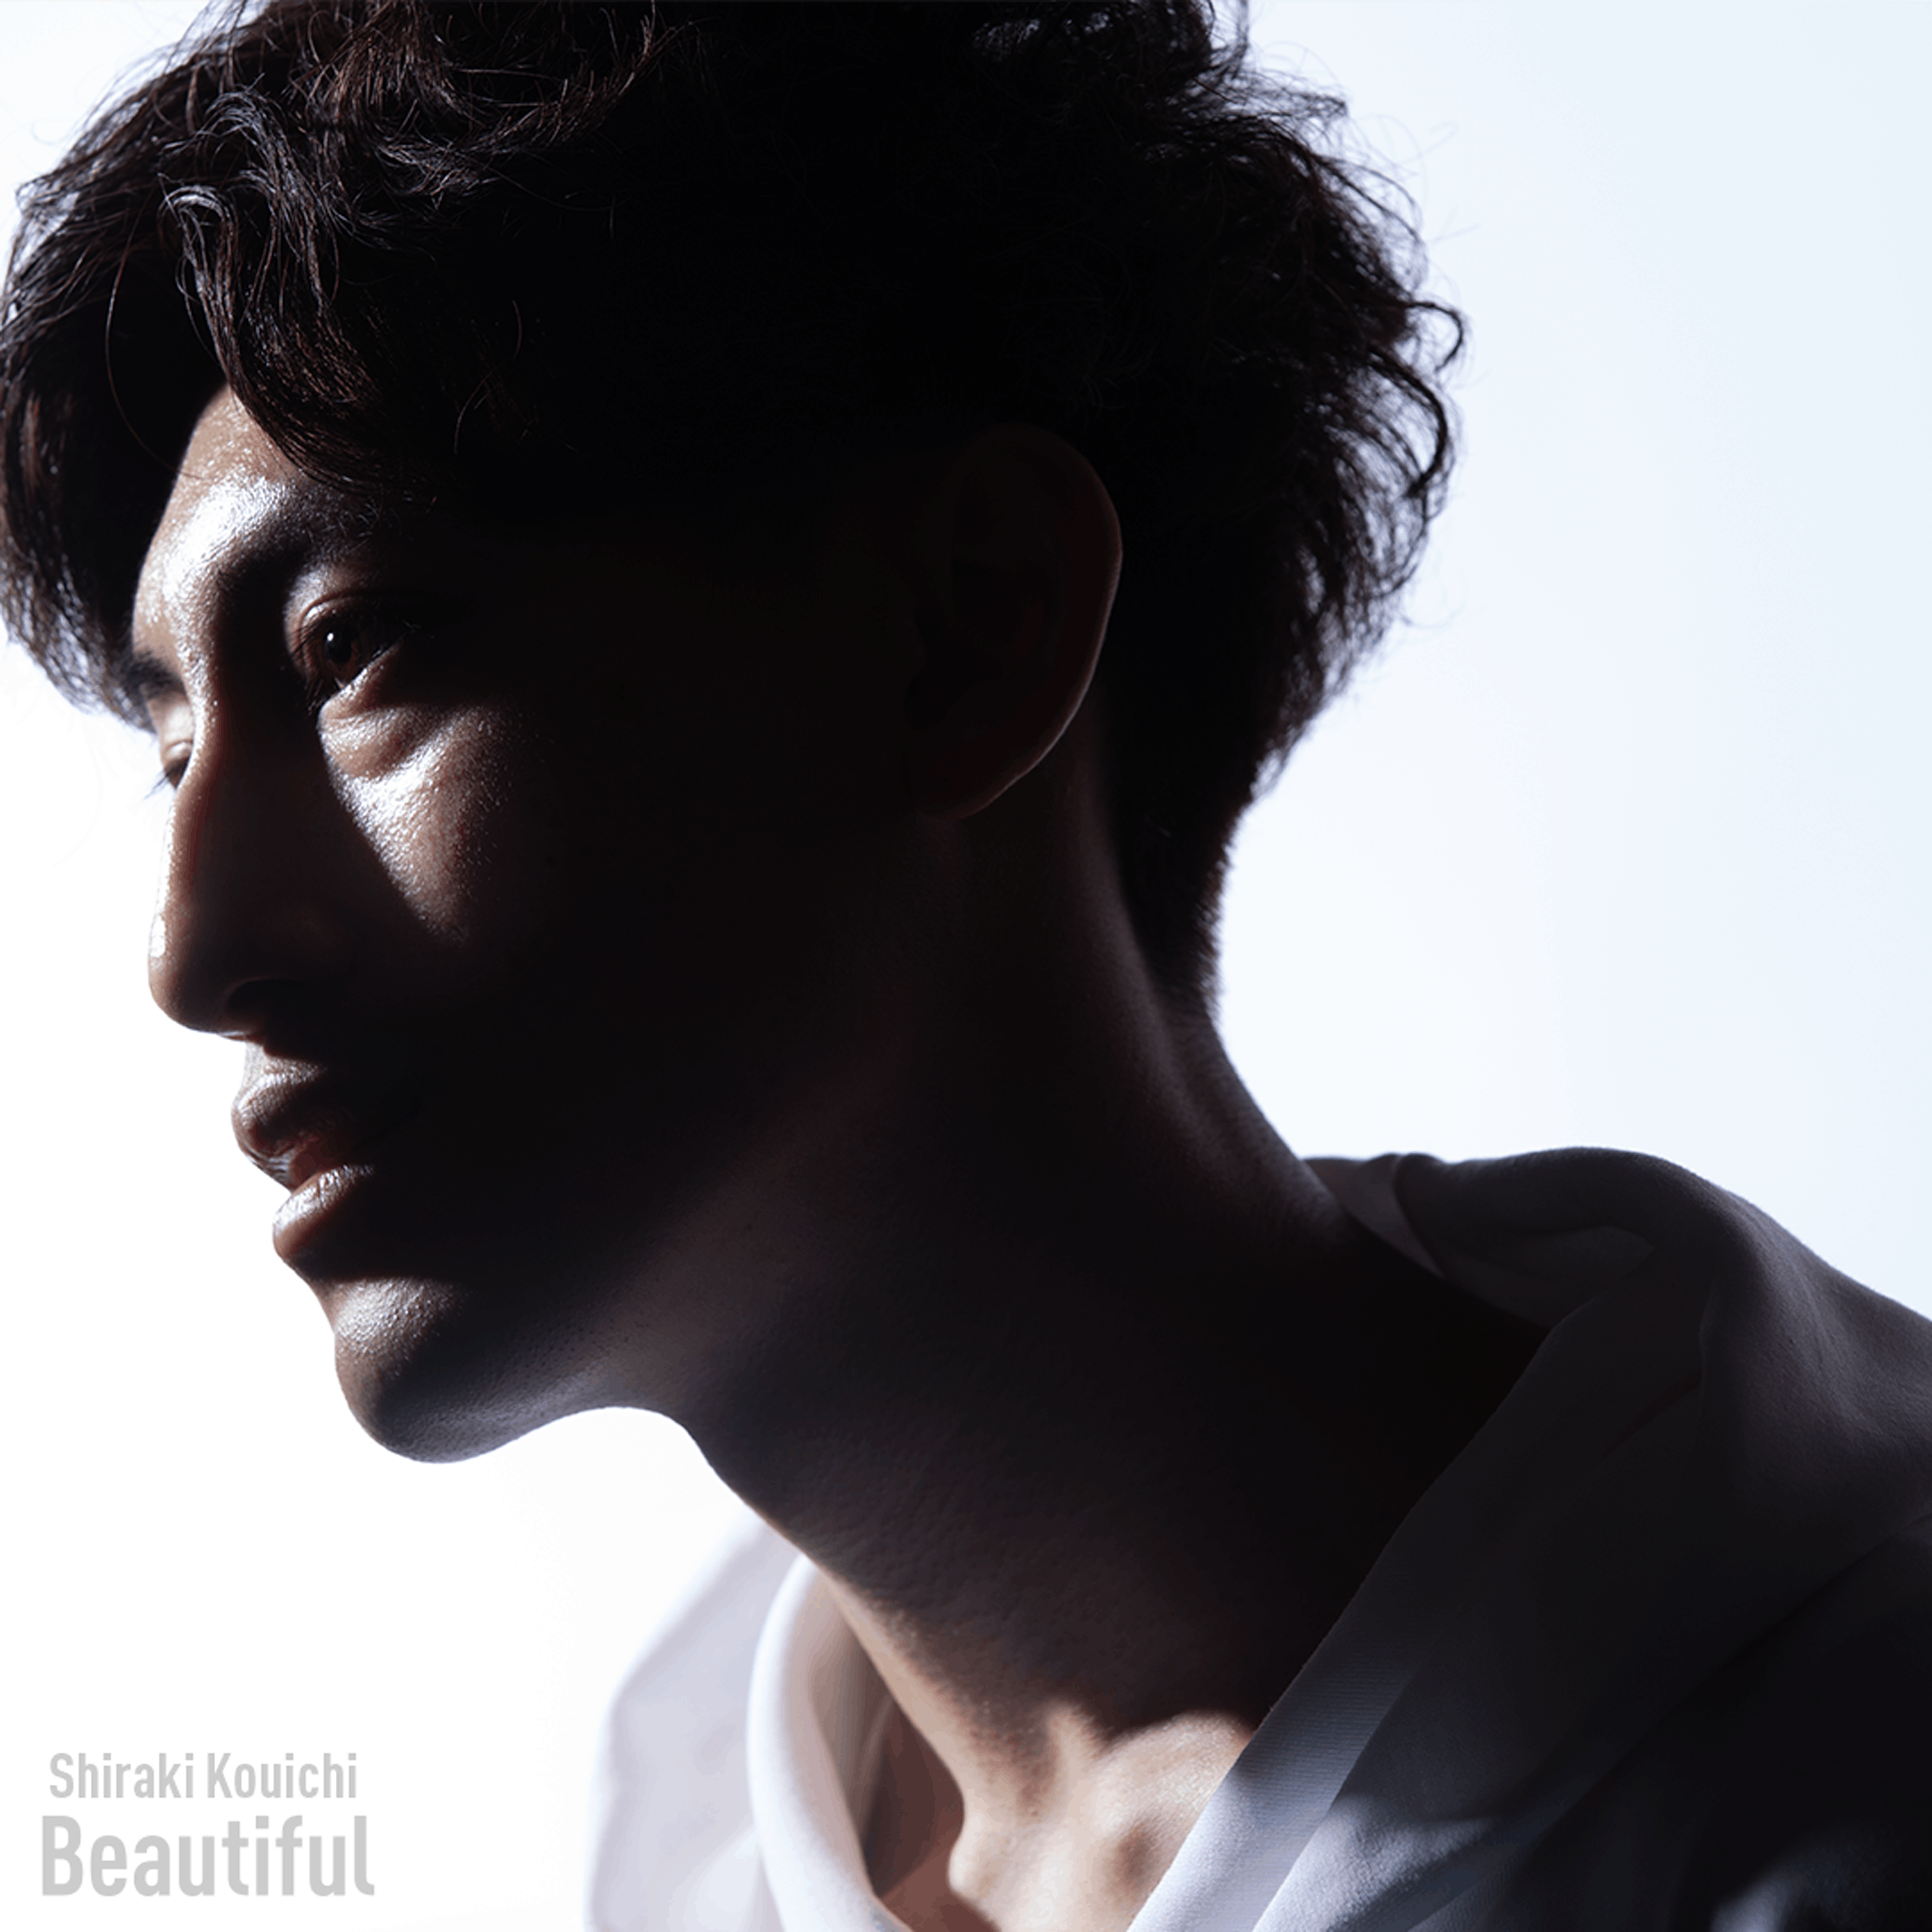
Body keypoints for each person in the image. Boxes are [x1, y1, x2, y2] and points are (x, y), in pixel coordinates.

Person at [5, 4, 1931, 1929]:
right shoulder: (682, 1858)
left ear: (970, 629)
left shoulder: (1850, 1751)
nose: (195, 950)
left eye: (354, 653)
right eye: (174, 753)